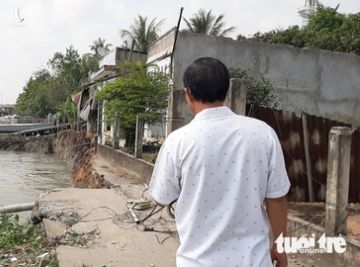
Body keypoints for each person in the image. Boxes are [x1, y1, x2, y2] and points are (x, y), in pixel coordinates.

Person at [149, 57, 290, 267]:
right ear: (225, 89)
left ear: (188, 93)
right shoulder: (263, 134)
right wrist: (280, 248)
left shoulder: (178, 142)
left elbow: (160, 197)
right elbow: (276, 198)